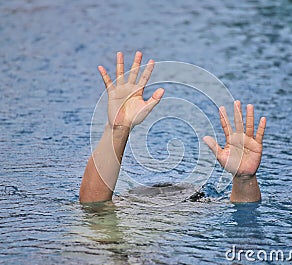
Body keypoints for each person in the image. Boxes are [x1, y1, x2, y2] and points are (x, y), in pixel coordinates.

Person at [79, 51, 267, 204]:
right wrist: (118, 128)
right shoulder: (128, 214)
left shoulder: (197, 212)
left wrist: (244, 179)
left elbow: (93, 205)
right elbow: (92, 203)